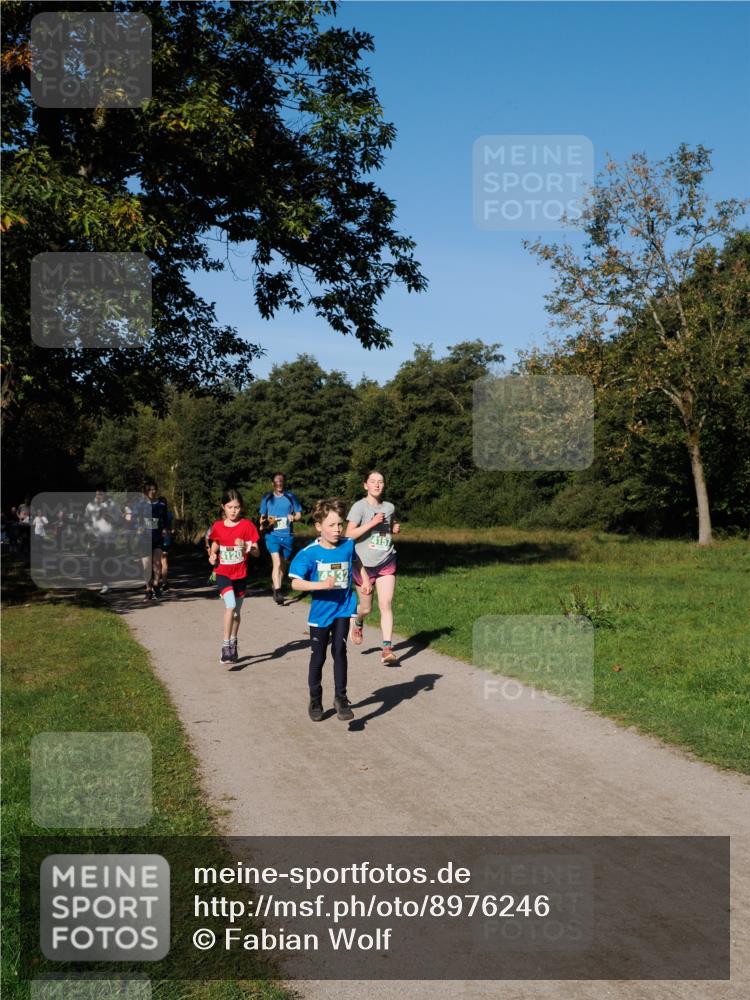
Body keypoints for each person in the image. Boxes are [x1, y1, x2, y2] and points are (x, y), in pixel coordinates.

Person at [289, 498, 371, 722]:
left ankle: (341, 698)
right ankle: (316, 698)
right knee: (318, 657)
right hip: (320, 613)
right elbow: (295, 583)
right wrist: (320, 585)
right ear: (319, 526)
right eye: (332, 525)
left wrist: (364, 580)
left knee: (339, 651)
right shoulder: (309, 553)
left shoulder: (347, 545)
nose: (338, 529)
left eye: (340, 524)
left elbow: (356, 562)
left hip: (343, 608)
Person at [346, 470, 401, 665]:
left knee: (386, 604)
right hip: (363, 565)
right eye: (373, 481)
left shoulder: (389, 507)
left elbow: (389, 524)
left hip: (386, 560)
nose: (377, 485)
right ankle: (358, 620)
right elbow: (349, 534)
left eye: (380, 482)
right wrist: (371, 523)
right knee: (367, 608)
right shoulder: (359, 507)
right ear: (365, 485)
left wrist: (394, 527)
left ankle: (387, 649)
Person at [208, 489, 260, 664]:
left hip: (241, 575)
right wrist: (212, 555)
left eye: (236, 507)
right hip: (223, 573)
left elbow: (257, 552)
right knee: (230, 605)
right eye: (229, 507)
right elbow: (215, 543)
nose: (233, 511)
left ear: (241, 508)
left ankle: (234, 642)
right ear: (223, 507)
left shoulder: (247, 526)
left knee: (236, 614)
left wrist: (246, 545)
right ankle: (225, 645)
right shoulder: (218, 526)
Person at [259, 472, 302, 605]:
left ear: (284, 482)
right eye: (276, 481)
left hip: (287, 536)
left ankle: (276, 585)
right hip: (272, 535)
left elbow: (299, 514)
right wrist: (264, 524)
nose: (279, 483)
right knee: (276, 562)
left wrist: (293, 517)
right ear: (273, 483)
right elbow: (262, 518)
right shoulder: (267, 498)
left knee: (283, 564)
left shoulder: (291, 497)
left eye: (281, 481)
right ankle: (278, 591)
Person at [132, 480, 169, 601]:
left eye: (154, 489)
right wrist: (138, 528)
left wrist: (164, 529)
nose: (152, 492)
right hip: (144, 539)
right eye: (149, 489)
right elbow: (134, 519)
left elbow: (165, 519)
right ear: (145, 491)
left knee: (157, 563)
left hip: (157, 538)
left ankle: (156, 585)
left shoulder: (161, 505)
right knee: (146, 566)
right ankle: (148, 590)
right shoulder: (140, 504)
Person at [84, 487, 121, 594]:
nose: (99, 496)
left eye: (101, 494)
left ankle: (107, 582)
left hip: (110, 539)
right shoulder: (90, 506)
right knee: (100, 561)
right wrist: (89, 533)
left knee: (109, 562)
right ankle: (105, 584)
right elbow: (86, 521)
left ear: (105, 494)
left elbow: (119, 521)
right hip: (97, 538)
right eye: (97, 494)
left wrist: (110, 517)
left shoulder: (113, 505)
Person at [159, 498, 175, 592]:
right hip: (166, 539)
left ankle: (157, 583)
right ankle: (164, 583)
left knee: (157, 562)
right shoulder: (169, 514)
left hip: (158, 540)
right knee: (163, 561)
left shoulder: (154, 513)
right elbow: (172, 527)